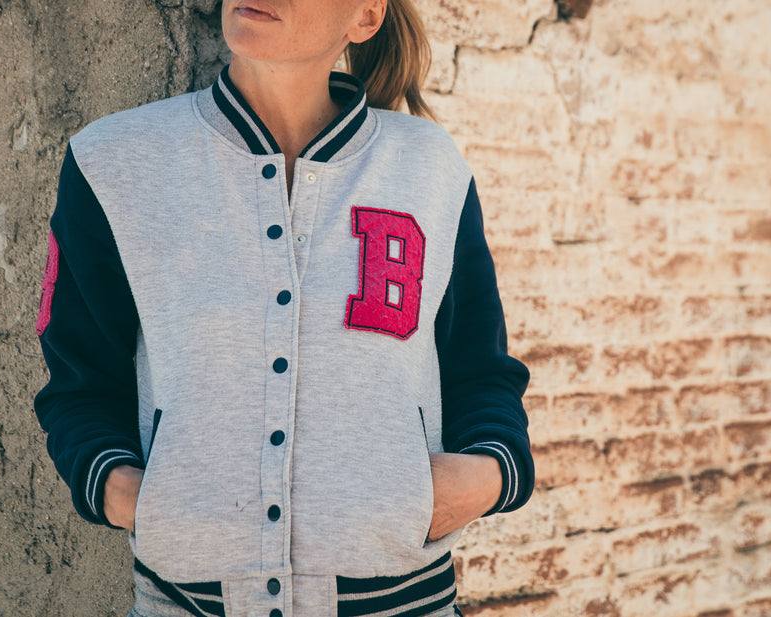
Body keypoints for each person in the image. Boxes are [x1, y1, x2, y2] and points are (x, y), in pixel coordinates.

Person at [31, 0, 534, 615]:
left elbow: (481, 373)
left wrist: (479, 479)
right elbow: (78, 383)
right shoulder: (116, 163)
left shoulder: (428, 168)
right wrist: (134, 497)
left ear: (366, 18)